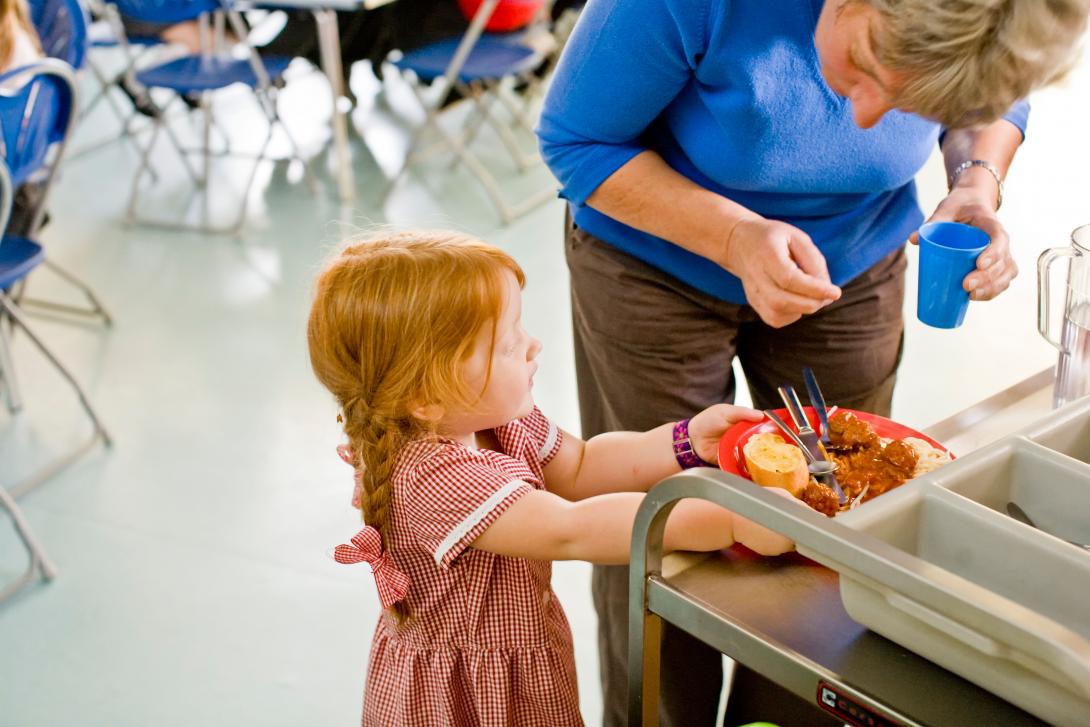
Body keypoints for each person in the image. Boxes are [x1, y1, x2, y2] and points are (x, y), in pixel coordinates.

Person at [535, 0, 1090, 724]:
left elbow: (991, 91)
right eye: (863, 72)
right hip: (652, 262)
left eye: (910, 104)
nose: (866, 122)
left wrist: (973, 181)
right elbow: (577, 140)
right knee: (661, 532)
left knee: (840, 523)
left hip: (857, 257)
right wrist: (735, 237)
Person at [306, 231, 807, 725]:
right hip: (467, 696)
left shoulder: (486, 419)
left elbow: (582, 465)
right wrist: (730, 519)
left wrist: (685, 442)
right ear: (426, 396)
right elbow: (572, 528)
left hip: (519, 662)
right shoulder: (434, 478)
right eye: (506, 345)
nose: (531, 346)